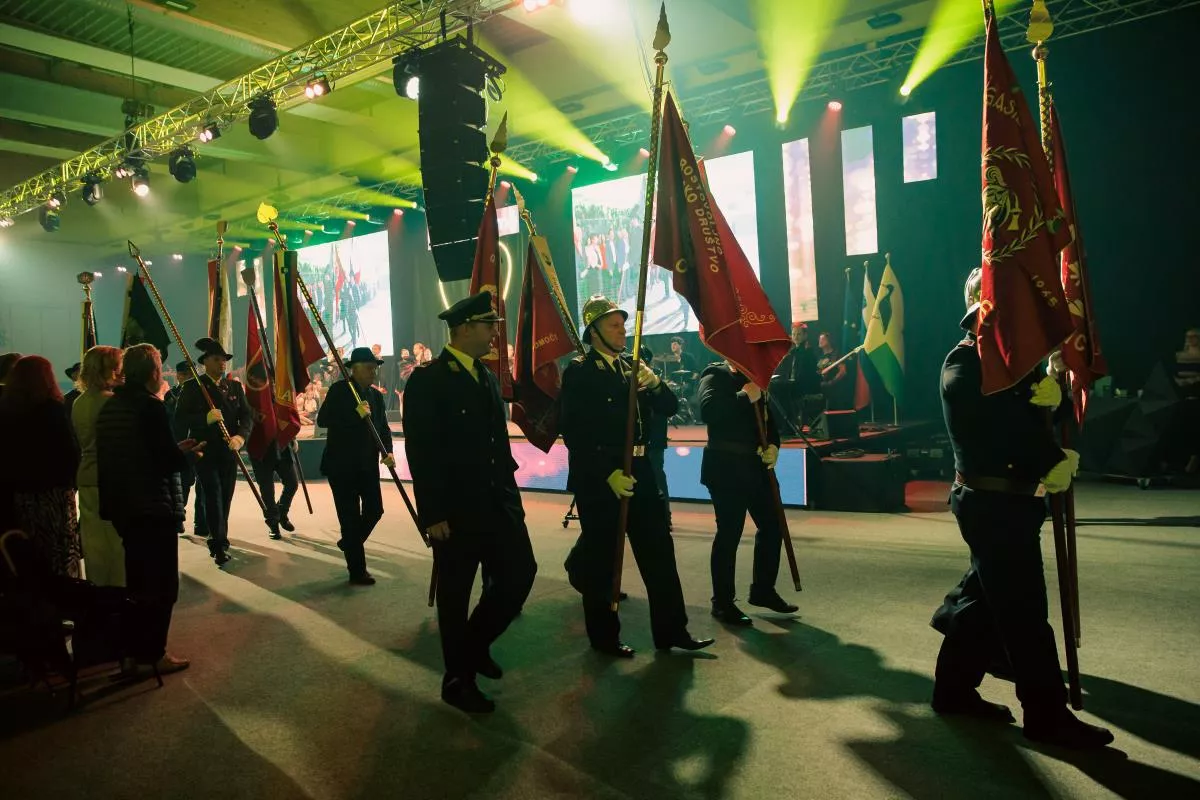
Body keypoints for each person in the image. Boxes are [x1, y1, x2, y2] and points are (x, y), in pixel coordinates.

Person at [929, 267, 1113, 749]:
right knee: (1025, 614)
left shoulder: (1011, 365)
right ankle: (1046, 715)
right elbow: (994, 422)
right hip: (991, 504)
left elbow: (1028, 416)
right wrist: (1049, 455)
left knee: (982, 602)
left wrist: (1051, 392)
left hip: (1010, 504)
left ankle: (952, 691)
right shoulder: (965, 361)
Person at [404, 291, 537, 714]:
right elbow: (422, 451)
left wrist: (511, 496)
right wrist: (432, 513)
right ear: (463, 329)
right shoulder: (429, 379)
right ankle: (457, 680)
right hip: (456, 510)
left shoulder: (485, 376)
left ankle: (474, 645)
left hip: (498, 502)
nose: (494, 332)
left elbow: (496, 444)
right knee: (456, 595)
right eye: (488, 325)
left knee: (519, 575)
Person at [560, 295, 714, 657]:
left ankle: (672, 630)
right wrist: (607, 474)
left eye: (622, 324)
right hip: (604, 479)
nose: (622, 331)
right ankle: (604, 638)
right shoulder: (580, 372)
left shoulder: (633, 367)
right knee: (602, 561)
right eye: (614, 325)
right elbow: (575, 432)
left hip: (641, 471)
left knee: (660, 554)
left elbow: (670, 407)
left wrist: (656, 383)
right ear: (594, 331)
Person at [96, 343, 200, 674]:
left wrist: (172, 449)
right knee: (161, 586)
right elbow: (163, 460)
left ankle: (130, 654)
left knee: (137, 584)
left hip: (124, 506)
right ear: (153, 372)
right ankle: (153, 654)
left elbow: (128, 453)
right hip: (152, 506)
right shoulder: (150, 406)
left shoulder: (111, 406)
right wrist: (184, 454)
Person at [698, 359, 799, 626]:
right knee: (729, 533)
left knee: (773, 526)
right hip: (726, 469)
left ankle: (763, 590)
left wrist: (774, 445)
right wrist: (744, 396)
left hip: (757, 468)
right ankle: (722, 602)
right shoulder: (715, 374)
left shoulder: (755, 376)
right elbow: (708, 411)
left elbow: (768, 420)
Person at [0, 356, 81, 578]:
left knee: (31, 549)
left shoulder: (7, 410)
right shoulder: (52, 409)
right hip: (53, 493)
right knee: (58, 549)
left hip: (22, 493)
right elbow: (68, 452)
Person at [317, 347, 393, 584]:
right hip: (342, 466)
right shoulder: (340, 390)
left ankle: (350, 541)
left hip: (367, 465)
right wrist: (354, 414)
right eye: (369, 368)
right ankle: (357, 571)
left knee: (375, 510)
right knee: (349, 518)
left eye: (375, 368)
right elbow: (323, 419)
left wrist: (388, 451)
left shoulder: (376, 396)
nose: (373, 372)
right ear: (355, 369)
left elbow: (383, 428)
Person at [176, 338, 252, 566]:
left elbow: (246, 416)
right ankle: (218, 544)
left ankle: (220, 536)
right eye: (217, 359)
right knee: (213, 495)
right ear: (205, 362)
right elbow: (180, 419)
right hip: (205, 451)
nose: (222, 363)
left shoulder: (234, 387)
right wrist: (204, 418)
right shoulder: (193, 387)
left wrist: (240, 437)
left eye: (224, 360)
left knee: (225, 496)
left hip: (229, 451)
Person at [72, 345, 127, 587]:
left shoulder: (79, 402)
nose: (121, 372)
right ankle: (116, 596)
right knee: (115, 547)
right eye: (117, 368)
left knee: (94, 544)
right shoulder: (112, 402)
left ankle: (97, 592)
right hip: (110, 479)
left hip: (86, 476)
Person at [166, 361, 206, 538]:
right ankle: (179, 516)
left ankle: (201, 523)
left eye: (192, 374)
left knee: (202, 486)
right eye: (185, 375)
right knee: (183, 484)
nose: (189, 378)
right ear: (179, 376)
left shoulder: (202, 393)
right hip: (180, 444)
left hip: (199, 443)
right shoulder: (171, 395)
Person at [249, 437, 299, 541]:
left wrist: (293, 437)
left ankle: (282, 513)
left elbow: (287, 424)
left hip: (282, 445)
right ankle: (273, 523)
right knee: (267, 490)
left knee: (292, 483)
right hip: (259, 448)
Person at [817, 331, 850, 410]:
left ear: (829, 341)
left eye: (823, 339)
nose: (820, 341)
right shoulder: (820, 357)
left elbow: (843, 372)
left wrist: (831, 382)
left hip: (835, 392)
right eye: (819, 339)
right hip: (822, 391)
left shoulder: (836, 354)